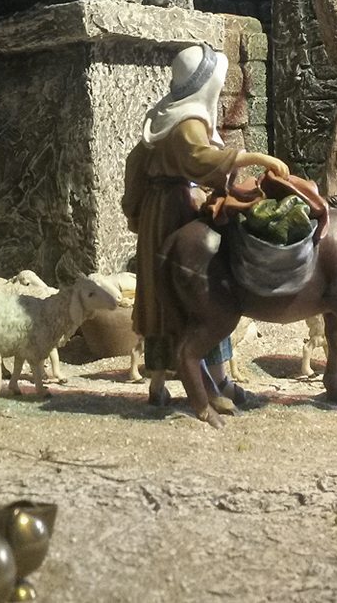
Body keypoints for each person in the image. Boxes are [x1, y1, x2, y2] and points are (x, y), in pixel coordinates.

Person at [122, 43, 289, 414]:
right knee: (205, 293)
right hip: (178, 211)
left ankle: (162, 382)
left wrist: (136, 211)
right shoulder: (187, 123)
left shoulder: (163, 116)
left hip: (157, 213)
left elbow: (136, 165)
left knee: (165, 296)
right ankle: (213, 380)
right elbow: (202, 158)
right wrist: (256, 157)